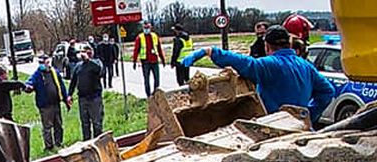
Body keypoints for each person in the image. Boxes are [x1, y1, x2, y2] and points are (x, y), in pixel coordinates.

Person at [181, 25, 334, 128]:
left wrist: (209, 51)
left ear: (267, 46)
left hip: (276, 128)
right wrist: (308, 114)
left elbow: (243, 63)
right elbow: (328, 91)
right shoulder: (306, 66)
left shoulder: (269, 65)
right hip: (300, 127)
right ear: (289, 43)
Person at [24, 54, 71, 152]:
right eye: (42, 62)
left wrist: (66, 98)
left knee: (58, 125)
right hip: (45, 106)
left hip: (56, 103)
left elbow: (61, 86)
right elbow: (29, 83)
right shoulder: (37, 74)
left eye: (46, 61)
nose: (45, 64)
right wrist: (28, 87)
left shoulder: (54, 72)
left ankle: (59, 143)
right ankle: (49, 146)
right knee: (47, 127)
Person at [69, 43, 105, 141]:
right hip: (82, 99)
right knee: (85, 123)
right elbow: (73, 81)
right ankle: (87, 142)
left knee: (97, 123)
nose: (85, 53)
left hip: (94, 98)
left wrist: (89, 60)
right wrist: (69, 94)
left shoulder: (96, 63)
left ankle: (98, 142)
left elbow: (100, 71)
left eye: (87, 51)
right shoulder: (78, 66)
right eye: (83, 51)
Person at [133, 20, 166, 97]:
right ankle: (148, 95)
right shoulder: (140, 37)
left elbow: (159, 48)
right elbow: (136, 50)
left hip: (155, 61)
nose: (146, 29)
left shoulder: (155, 36)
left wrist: (163, 59)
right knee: (146, 80)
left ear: (150, 28)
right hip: (145, 62)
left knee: (157, 79)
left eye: (148, 27)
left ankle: (156, 94)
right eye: (145, 28)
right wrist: (134, 61)